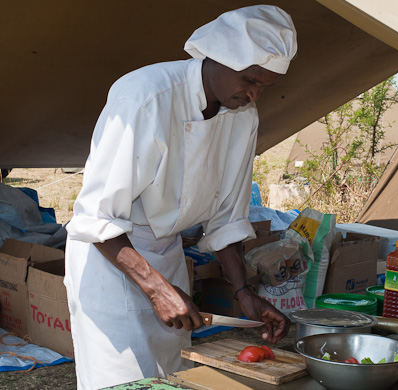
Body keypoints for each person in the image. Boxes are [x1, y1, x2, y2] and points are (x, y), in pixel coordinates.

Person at [63, 5, 297, 389]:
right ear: (217, 57)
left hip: (167, 257)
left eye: (264, 86)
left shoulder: (243, 115)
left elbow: (226, 218)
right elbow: (98, 217)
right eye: (249, 79)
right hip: (109, 261)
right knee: (120, 381)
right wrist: (156, 289)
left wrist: (244, 292)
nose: (253, 94)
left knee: (168, 377)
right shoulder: (144, 96)